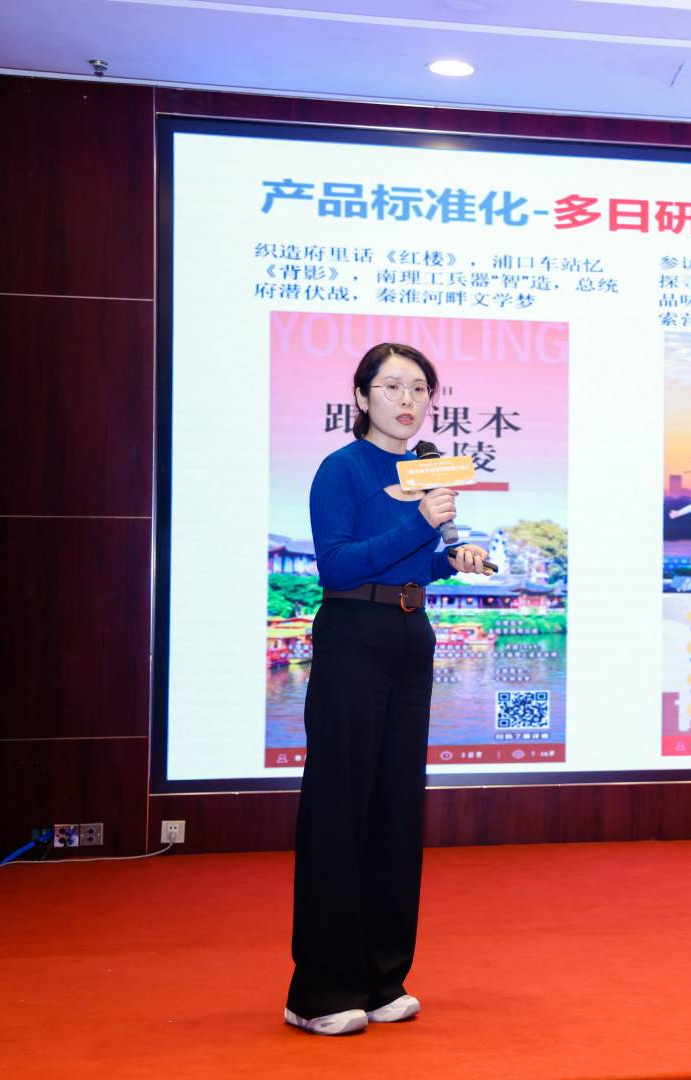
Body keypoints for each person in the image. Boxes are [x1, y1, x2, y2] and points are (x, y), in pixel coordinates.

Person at [285, 343, 489, 1037]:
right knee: (340, 807)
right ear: (362, 396)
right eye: (393, 386)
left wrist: (452, 559)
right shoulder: (341, 469)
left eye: (420, 388)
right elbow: (338, 567)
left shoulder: (423, 469)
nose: (408, 400)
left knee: (396, 810)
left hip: (409, 635)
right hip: (353, 635)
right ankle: (319, 993)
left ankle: (381, 980)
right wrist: (419, 521)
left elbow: (410, 563)